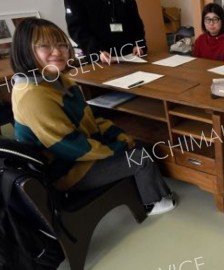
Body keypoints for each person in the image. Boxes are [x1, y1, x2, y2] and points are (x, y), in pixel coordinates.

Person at [10, 18, 175, 215]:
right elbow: (70, 147)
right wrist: (115, 148)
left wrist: (119, 137)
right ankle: (154, 202)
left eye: (62, 44)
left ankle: (142, 188)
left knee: (136, 144)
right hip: (65, 171)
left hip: (79, 155)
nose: (58, 52)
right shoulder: (32, 95)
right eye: (45, 46)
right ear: (25, 50)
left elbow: (92, 117)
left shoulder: (59, 79)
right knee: (140, 158)